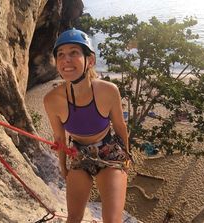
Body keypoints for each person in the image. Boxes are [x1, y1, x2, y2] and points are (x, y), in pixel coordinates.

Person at [43, 28, 131, 223]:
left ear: (89, 60)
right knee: (73, 218)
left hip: (109, 152)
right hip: (79, 154)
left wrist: (127, 157)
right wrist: (64, 167)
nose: (66, 60)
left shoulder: (108, 91)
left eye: (74, 52)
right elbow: (59, 138)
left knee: (112, 220)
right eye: (61, 55)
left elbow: (120, 126)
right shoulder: (52, 100)